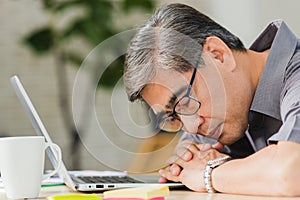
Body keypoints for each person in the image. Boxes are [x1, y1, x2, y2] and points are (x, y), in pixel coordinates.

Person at [123, 3, 300, 196]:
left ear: (218, 54)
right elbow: (188, 159)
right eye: (174, 118)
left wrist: (209, 173)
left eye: (185, 103)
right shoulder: (232, 103)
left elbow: (291, 173)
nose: (191, 128)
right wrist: (187, 161)